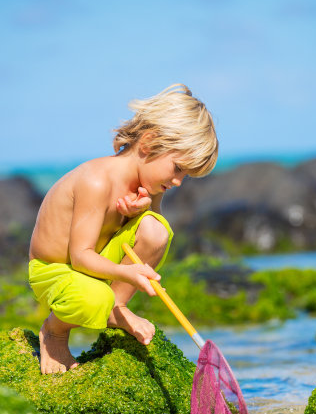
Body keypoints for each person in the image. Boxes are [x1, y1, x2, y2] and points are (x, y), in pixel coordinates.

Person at [29, 84, 218, 374]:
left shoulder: (152, 183)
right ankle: (54, 331)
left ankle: (116, 308)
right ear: (148, 142)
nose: (179, 181)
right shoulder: (97, 180)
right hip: (56, 269)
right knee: (94, 298)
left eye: (187, 175)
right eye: (178, 168)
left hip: (95, 266)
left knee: (157, 229)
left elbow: (148, 234)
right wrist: (129, 272)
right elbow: (80, 256)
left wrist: (137, 214)